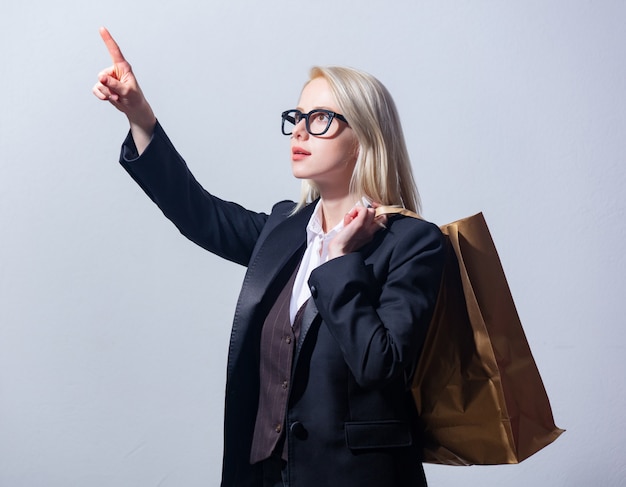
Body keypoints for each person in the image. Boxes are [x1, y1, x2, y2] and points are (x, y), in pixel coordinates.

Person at [93, 26, 445, 487]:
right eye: (297, 116)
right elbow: (201, 215)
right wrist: (140, 117)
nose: (299, 130)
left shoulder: (413, 243)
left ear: (364, 135)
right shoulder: (284, 228)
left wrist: (340, 260)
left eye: (319, 118)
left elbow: (381, 366)